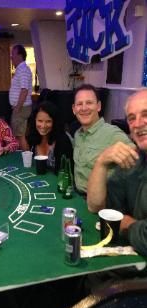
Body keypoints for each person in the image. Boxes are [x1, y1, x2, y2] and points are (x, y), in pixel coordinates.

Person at [87, 88, 147, 256]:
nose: (138, 123)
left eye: (145, 114)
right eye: (132, 118)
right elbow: (98, 206)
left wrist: (127, 224)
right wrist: (101, 162)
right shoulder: (134, 160)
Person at [72, 83, 134, 194]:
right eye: (79, 104)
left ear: (99, 106)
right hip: (76, 197)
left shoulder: (112, 133)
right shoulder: (77, 134)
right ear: (74, 109)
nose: (84, 108)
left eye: (89, 103)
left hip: (102, 205)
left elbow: (138, 163)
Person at [26, 101, 73, 173]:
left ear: (54, 122)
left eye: (48, 121)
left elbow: (65, 172)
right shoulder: (33, 137)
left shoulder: (63, 140)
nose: (43, 126)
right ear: (34, 120)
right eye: (40, 121)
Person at [9, 44, 33, 150]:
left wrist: (17, 107)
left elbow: (24, 90)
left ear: (19, 55)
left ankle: (26, 160)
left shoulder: (23, 69)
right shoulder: (20, 69)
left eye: (13, 54)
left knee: (20, 136)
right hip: (20, 108)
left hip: (21, 108)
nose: (11, 57)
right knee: (18, 135)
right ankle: (22, 160)